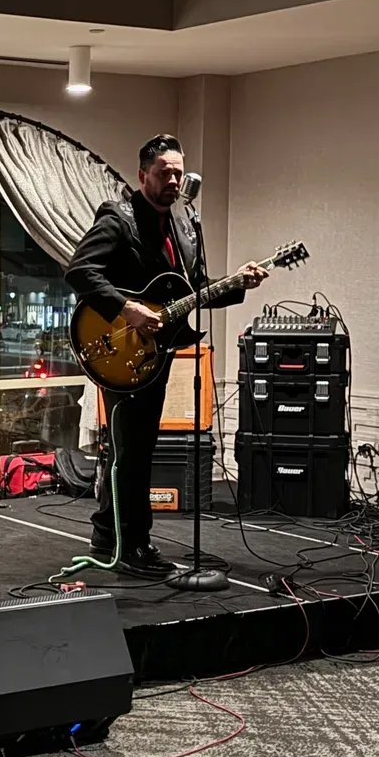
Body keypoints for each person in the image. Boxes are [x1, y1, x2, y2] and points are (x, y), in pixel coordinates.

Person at [65, 134, 268, 577]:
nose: (173, 180)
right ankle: (127, 544)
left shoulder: (184, 226)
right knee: (130, 452)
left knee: (140, 450)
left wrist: (237, 284)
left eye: (178, 173)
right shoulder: (118, 219)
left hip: (155, 354)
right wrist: (127, 308)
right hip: (117, 349)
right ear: (143, 176)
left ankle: (115, 537)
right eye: (164, 173)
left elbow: (190, 293)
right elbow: (79, 271)